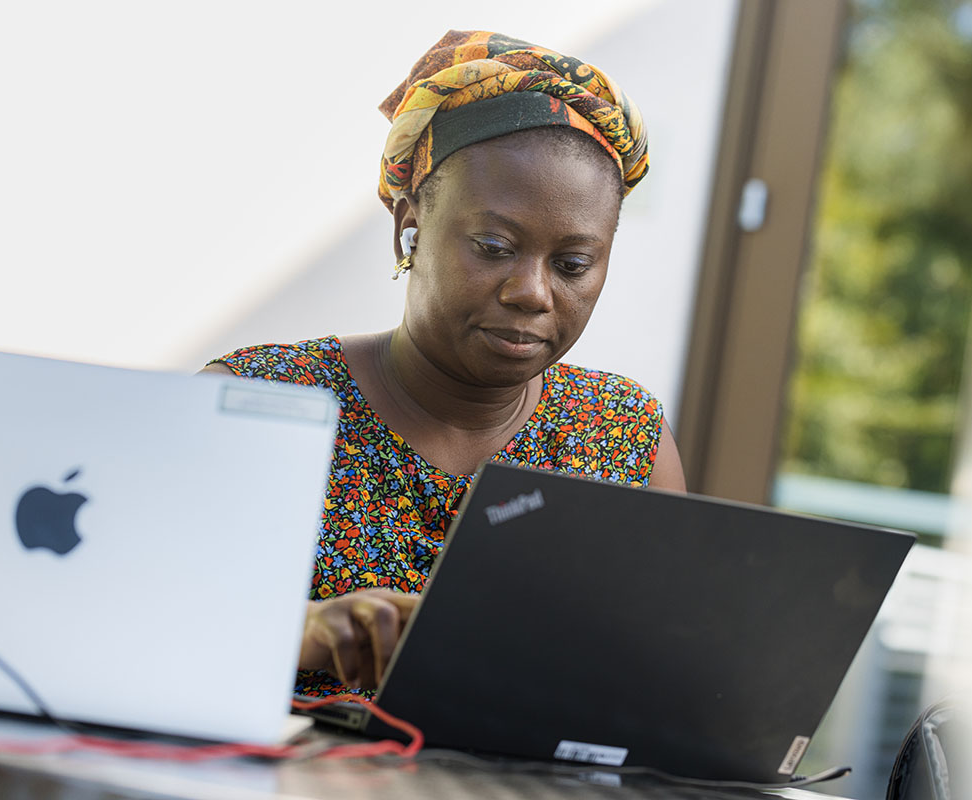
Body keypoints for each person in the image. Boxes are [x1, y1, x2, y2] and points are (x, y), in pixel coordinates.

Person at [202, 30, 685, 697]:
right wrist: (302, 631)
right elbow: (124, 623)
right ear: (411, 225)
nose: (532, 293)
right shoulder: (259, 401)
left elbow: (671, 686)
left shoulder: (625, 437)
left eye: (572, 265)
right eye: (493, 246)